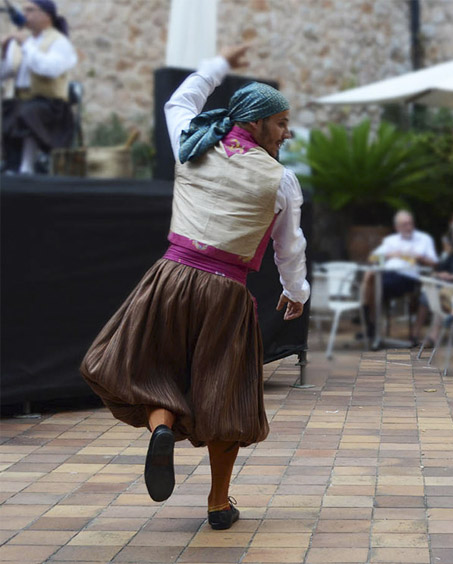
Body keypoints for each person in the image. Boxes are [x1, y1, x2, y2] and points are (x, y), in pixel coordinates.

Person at [80, 45, 309, 531]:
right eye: (282, 122)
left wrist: (218, 64)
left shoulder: (192, 139)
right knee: (224, 395)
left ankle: (161, 427)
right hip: (225, 290)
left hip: (170, 276)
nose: (288, 132)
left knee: (155, 368)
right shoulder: (281, 181)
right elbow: (289, 248)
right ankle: (217, 504)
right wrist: (297, 291)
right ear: (258, 120)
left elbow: (179, 99)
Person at [0, 0, 76, 174]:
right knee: (9, 109)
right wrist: (4, 53)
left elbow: (48, 69)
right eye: (24, 10)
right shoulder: (21, 42)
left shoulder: (59, 42)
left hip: (51, 105)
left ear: (46, 16)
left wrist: (26, 45)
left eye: (30, 10)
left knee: (28, 112)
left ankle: (28, 166)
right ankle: (12, 163)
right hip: (24, 101)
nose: (24, 14)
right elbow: (4, 74)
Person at [360, 209, 438, 344]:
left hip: (407, 276)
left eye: (410, 223)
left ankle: (368, 317)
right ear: (397, 227)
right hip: (386, 273)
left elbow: (434, 262)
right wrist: (390, 255)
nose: (408, 227)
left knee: (372, 281)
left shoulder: (424, 239)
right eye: (404, 224)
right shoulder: (391, 240)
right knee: (371, 275)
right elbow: (372, 257)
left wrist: (419, 257)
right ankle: (370, 322)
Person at [414, 221, 453, 347]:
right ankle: (416, 334)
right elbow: (440, 268)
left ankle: (433, 337)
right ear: (452, 238)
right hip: (449, 287)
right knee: (427, 293)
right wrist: (439, 274)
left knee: (439, 297)